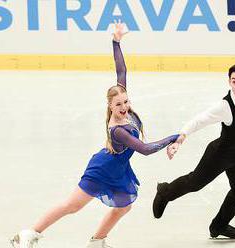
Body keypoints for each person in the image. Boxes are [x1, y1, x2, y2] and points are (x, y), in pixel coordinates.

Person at [10, 21, 179, 248]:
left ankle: (97, 242)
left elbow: (122, 70)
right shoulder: (118, 129)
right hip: (103, 168)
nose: (124, 107)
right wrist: (175, 136)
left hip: (118, 167)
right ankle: (29, 233)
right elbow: (145, 149)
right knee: (73, 206)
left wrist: (116, 41)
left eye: (126, 101)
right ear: (110, 105)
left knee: (123, 206)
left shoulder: (124, 107)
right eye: (118, 104)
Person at [153, 63, 235, 239]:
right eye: (234, 81)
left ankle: (219, 226)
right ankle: (165, 192)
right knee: (195, 183)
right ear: (229, 82)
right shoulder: (225, 106)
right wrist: (181, 137)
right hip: (219, 154)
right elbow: (200, 120)